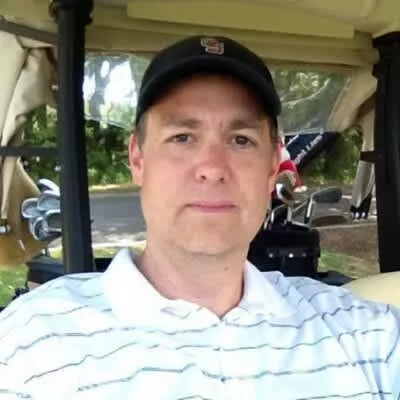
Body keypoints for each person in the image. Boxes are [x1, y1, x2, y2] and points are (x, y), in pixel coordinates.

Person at [0, 35, 399, 399]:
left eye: (240, 140)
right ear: (138, 158)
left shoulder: (367, 333)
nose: (212, 167)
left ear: (271, 167)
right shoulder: (32, 341)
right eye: (182, 138)